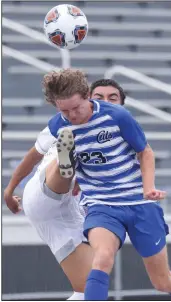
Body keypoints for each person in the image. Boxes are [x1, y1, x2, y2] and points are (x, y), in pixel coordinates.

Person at [41, 68, 171, 301]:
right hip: (101, 205)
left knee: (163, 282)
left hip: (139, 202)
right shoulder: (59, 126)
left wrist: (148, 187)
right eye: (64, 111)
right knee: (102, 258)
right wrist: (74, 175)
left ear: (87, 95)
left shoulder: (117, 116)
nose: (71, 115)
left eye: (76, 108)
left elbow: (145, 152)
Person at [4, 78, 125, 300]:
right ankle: (66, 161)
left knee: (89, 290)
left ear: (121, 105)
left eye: (112, 98)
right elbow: (32, 157)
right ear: (88, 98)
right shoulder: (63, 120)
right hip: (45, 191)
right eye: (100, 97)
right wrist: (9, 189)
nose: (106, 101)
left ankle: (68, 164)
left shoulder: (123, 139)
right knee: (60, 174)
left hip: (62, 217)